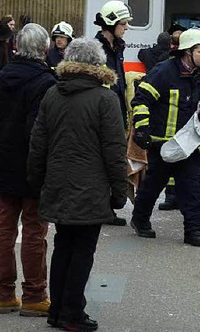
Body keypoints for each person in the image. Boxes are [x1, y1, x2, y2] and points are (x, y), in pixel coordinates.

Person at [27, 38, 128, 331]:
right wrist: (119, 191)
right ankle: (72, 313)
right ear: (97, 64)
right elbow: (114, 150)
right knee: (82, 251)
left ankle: (57, 309)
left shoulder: (52, 94)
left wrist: (36, 181)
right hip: (90, 188)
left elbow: (38, 144)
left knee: (62, 247)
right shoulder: (105, 99)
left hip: (58, 184)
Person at [130, 28, 200, 247]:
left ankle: (193, 231)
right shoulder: (164, 72)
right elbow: (141, 100)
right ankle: (140, 220)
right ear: (187, 52)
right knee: (153, 186)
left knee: (191, 188)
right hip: (163, 145)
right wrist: (141, 129)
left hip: (190, 144)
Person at [0, 24, 56, 317]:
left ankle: (3, 294)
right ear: (45, 50)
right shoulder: (46, 83)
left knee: (3, 230)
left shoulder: (2, 77)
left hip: (2, 166)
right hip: (31, 167)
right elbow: (38, 132)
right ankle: (34, 295)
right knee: (34, 231)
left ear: (16, 47)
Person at [94, 0, 132, 227]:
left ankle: (108, 208)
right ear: (111, 23)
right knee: (102, 163)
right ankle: (103, 209)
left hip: (115, 112)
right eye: (124, 24)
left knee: (112, 161)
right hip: (103, 115)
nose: (126, 28)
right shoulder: (98, 49)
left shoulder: (116, 48)